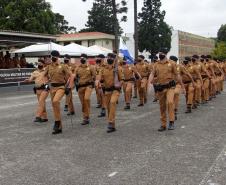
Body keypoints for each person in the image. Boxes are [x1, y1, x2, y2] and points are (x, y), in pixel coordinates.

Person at [148, 48, 185, 131]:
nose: (160, 55)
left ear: (165, 54)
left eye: (161, 53)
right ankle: (163, 124)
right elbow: (152, 74)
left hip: (170, 87)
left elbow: (177, 75)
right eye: (159, 53)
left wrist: (182, 86)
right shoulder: (156, 64)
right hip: (161, 88)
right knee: (162, 107)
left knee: (170, 102)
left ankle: (171, 122)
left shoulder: (171, 63)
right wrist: (149, 84)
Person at [44, 50, 74, 135]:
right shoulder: (49, 67)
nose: (52, 58)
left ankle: (57, 122)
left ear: (57, 57)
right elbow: (44, 75)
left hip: (61, 87)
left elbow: (71, 75)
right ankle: (59, 127)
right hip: (52, 88)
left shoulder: (63, 66)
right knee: (54, 106)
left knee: (55, 101)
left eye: (53, 56)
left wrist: (69, 86)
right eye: (51, 56)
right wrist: (46, 84)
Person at [98, 53, 123, 133]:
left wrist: (119, 85)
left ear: (114, 59)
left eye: (111, 57)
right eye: (108, 57)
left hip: (115, 90)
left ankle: (110, 122)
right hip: (107, 91)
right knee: (109, 109)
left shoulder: (117, 69)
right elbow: (100, 79)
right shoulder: (103, 69)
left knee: (112, 103)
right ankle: (112, 126)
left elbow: (122, 79)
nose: (109, 58)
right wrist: (100, 82)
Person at [74, 54, 96, 125]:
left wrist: (92, 80)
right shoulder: (77, 68)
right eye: (81, 58)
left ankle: (87, 115)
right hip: (80, 87)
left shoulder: (91, 67)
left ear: (86, 59)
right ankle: (85, 117)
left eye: (83, 58)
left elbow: (94, 76)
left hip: (88, 86)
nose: (81, 59)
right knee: (83, 103)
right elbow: (75, 77)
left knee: (86, 99)